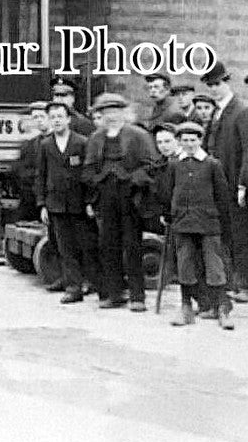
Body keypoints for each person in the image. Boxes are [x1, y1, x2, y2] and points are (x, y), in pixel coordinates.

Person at [84, 92, 157, 312]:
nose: (111, 116)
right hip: (105, 198)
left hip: (130, 198)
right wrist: (97, 181)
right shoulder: (96, 138)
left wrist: (133, 179)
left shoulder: (138, 136)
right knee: (107, 246)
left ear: (124, 113)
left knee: (132, 246)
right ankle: (112, 293)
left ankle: (137, 296)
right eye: (106, 112)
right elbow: (87, 169)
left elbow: (151, 165)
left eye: (115, 111)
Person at [162, 122, 234, 329]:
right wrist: (168, 214)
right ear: (179, 142)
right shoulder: (174, 164)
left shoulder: (212, 164)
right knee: (185, 264)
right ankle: (186, 306)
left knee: (214, 265)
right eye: (184, 141)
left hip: (208, 222)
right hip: (183, 222)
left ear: (200, 141)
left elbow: (222, 197)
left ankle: (221, 307)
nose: (189, 144)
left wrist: (222, 224)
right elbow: (168, 192)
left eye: (193, 140)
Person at [202, 61, 248, 304]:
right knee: (225, 235)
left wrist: (243, 184)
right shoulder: (217, 112)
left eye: (217, 84)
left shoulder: (242, 111)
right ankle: (233, 282)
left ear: (227, 82)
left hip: (236, 186)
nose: (214, 89)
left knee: (241, 236)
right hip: (219, 186)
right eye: (210, 85)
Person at [36, 101, 96, 304]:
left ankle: (89, 282)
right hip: (56, 204)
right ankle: (73, 287)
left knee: (85, 245)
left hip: (78, 203)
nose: (56, 121)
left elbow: (89, 174)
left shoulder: (81, 143)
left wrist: (90, 201)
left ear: (68, 119)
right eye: (52, 117)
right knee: (64, 247)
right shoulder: (45, 145)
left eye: (60, 117)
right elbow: (41, 176)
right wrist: (42, 204)